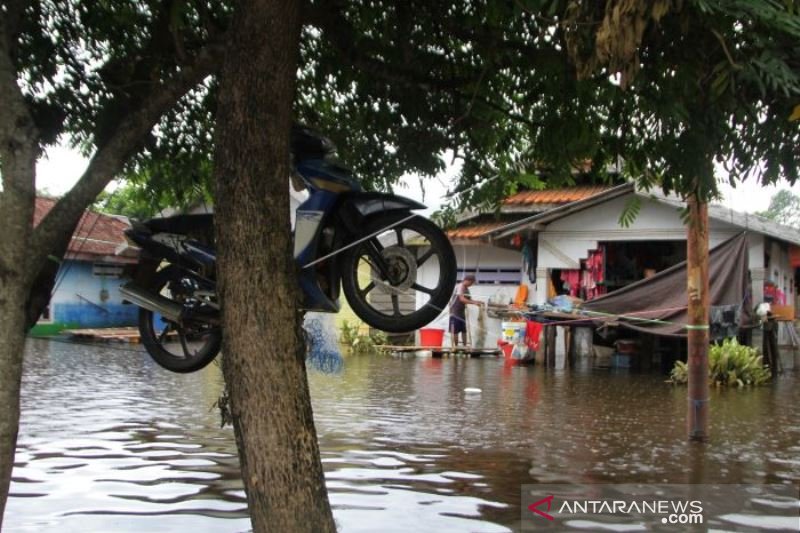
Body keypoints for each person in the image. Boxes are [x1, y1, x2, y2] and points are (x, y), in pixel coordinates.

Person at [448, 274, 484, 347]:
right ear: (467, 280)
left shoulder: (467, 289)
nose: (471, 285)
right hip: (454, 312)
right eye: (471, 283)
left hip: (461, 312)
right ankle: (456, 347)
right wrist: (474, 303)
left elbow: (469, 299)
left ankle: (465, 346)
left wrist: (477, 302)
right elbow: (462, 299)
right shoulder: (460, 286)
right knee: (455, 331)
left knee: (464, 330)